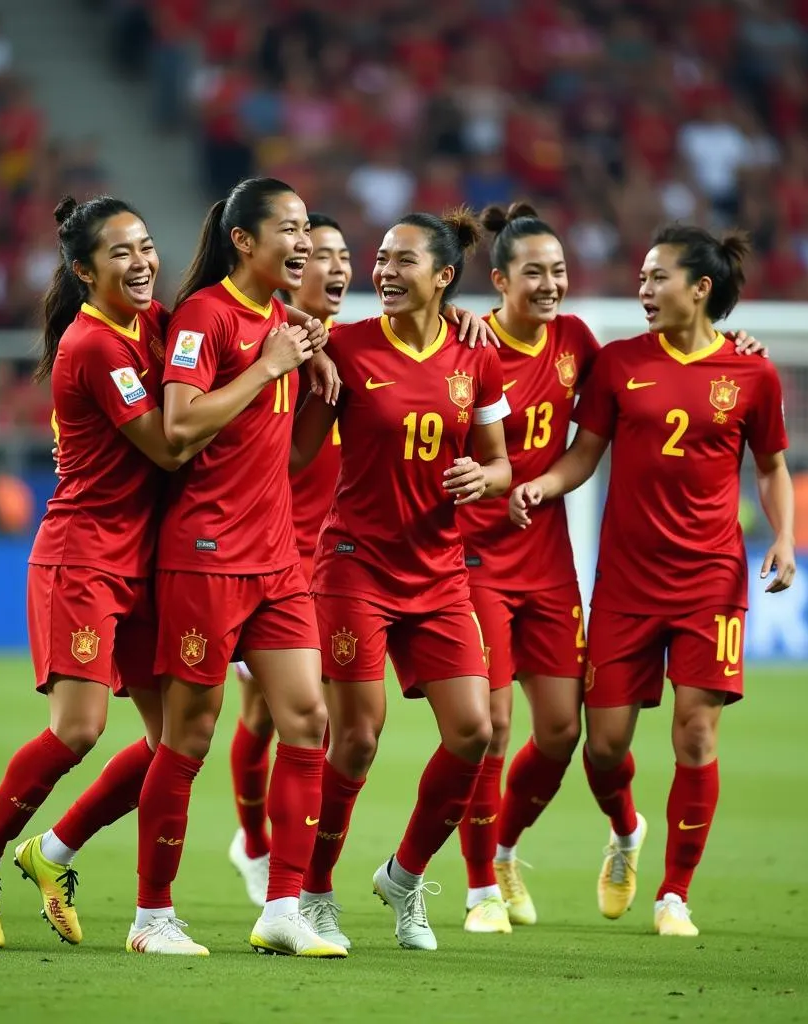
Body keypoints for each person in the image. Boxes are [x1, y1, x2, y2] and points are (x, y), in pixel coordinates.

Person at [510, 224, 795, 937]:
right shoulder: (617, 364)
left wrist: (785, 537)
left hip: (710, 581)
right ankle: (626, 831)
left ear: (700, 288)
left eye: (656, 277)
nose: (643, 289)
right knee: (602, 746)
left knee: (696, 735)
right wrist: (544, 485)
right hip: (626, 586)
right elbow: (584, 455)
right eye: (640, 278)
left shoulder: (753, 374)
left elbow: (770, 466)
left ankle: (674, 894)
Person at [0, 195, 206, 949]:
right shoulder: (90, 345)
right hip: (83, 556)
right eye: (121, 252)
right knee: (79, 728)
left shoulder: (153, 324)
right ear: (85, 270)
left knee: (173, 744)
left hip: (146, 560)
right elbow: (166, 446)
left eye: (147, 246)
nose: (142, 262)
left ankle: (53, 852)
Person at [130, 177, 347, 958]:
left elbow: (285, 451)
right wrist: (271, 365)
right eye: (287, 229)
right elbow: (180, 426)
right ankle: (151, 915)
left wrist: (310, 371)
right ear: (244, 241)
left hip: (277, 558)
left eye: (308, 229)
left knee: (308, 721)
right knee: (188, 738)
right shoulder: (205, 316)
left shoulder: (286, 322)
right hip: (206, 556)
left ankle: (283, 906)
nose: (304, 243)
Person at [291, 209, 512, 952]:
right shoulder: (348, 348)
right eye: (379, 258)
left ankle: (404, 875)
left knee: (475, 733)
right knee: (357, 736)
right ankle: (313, 893)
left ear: (444, 276)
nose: (382, 271)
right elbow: (296, 459)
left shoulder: (477, 355)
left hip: (440, 570)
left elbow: (501, 461)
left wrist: (483, 476)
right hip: (354, 563)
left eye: (402, 260)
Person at [454, 202, 601, 933]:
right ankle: (480, 888)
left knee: (560, 731)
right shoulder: (468, 345)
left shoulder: (577, 340)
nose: (551, 285)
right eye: (535, 273)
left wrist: (543, 485)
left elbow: (596, 433)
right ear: (501, 279)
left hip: (548, 562)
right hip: (475, 558)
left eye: (559, 271)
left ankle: (504, 848)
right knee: (496, 723)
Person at [227, 212, 353, 908]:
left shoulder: (351, 349)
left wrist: (464, 318)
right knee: (266, 714)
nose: (333, 268)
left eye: (343, 257)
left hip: (329, 560)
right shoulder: (260, 341)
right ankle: (253, 842)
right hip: (264, 555)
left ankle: (278, 861)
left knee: (310, 720)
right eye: (318, 255)